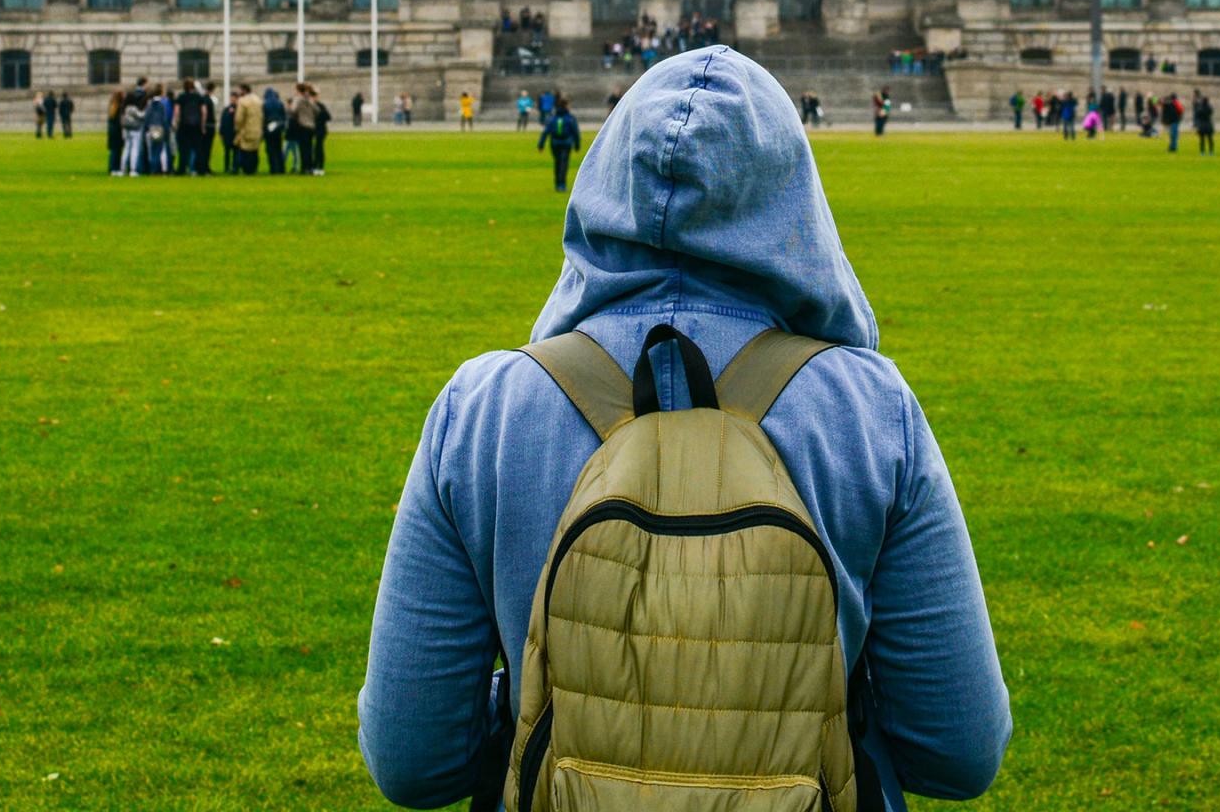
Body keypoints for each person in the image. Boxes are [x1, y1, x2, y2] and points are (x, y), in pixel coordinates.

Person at [358, 48, 1011, 810]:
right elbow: (958, 752)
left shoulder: (484, 408)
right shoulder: (870, 411)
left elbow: (412, 762)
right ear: (792, 195)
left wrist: (551, 682)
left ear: (606, 181)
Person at [537, 93, 581, 191]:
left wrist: (541, 144)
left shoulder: (553, 117)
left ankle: (557, 183)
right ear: (565, 106)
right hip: (566, 143)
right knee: (563, 164)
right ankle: (562, 184)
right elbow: (575, 132)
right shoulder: (570, 118)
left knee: (557, 163)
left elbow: (546, 132)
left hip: (554, 143)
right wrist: (577, 145)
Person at [174, 78, 207, 175]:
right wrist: (203, 126)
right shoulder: (198, 97)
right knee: (198, 148)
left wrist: (176, 122)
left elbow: (177, 111)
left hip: (184, 125)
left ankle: (182, 169)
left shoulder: (181, 97)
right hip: (196, 125)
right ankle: (201, 169)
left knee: (183, 149)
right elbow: (204, 112)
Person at [233, 84, 264, 175]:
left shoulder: (242, 101)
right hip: (257, 130)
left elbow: (239, 118)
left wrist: (237, 128)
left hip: (246, 129)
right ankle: (253, 168)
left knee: (245, 151)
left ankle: (247, 169)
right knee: (254, 151)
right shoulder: (258, 100)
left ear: (244, 90)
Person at [143, 83, 172, 175]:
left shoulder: (150, 104)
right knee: (160, 150)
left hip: (151, 128)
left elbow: (147, 117)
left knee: (152, 151)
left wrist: (146, 128)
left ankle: (153, 169)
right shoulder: (162, 104)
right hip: (160, 128)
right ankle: (161, 169)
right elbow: (164, 119)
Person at [290, 83, 319, 175]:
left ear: (298, 90)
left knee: (303, 148)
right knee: (309, 148)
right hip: (311, 126)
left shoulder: (298, 100)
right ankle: (310, 167)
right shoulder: (309, 99)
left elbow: (293, 110)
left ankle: (304, 168)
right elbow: (317, 110)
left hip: (302, 126)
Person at [118, 89, 146, 176]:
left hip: (126, 130)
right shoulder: (132, 108)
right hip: (135, 130)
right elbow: (141, 116)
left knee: (126, 149)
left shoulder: (124, 108)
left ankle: (122, 169)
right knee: (134, 150)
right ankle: (133, 169)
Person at [262, 85, 288, 173]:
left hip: (269, 130)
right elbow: (284, 116)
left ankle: (273, 168)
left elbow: (263, 118)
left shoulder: (265, 104)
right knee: (278, 149)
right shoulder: (279, 103)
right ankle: (281, 168)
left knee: (270, 150)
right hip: (278, 129)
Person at [200, 81, 219, 174]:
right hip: (209, 126)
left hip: (207, 126)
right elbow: (205, 113)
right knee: (206, 149)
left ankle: (204, 167)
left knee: (204, 148)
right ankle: (205, 168)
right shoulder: (208, 100)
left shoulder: (204, 98)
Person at [312, 86, 330, 175]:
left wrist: (319, 117)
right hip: (317, 129)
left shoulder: (320, 106)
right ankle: (317, 166)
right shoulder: (315, 105)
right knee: (316, 148)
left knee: (318, 148)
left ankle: (319, 166)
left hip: (320, 130)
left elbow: (328, 117)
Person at [220, 89, 239, 174]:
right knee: (227, 152)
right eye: (232, 98)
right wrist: (221, 132)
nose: (233, 99)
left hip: (235, 133)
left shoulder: (239, 109)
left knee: (236, 152)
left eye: (234, 98)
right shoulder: (227, 109)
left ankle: (235, 168)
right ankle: (226, 167)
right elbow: (223, 121)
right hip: (227, 134)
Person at [105, 90, 124, 173]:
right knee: (116, 151)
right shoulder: (119, 107)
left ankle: (112, 168)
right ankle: (115, 168)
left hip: (112, 132)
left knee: (114, 151)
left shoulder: (112, 106)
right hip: (117, 132)